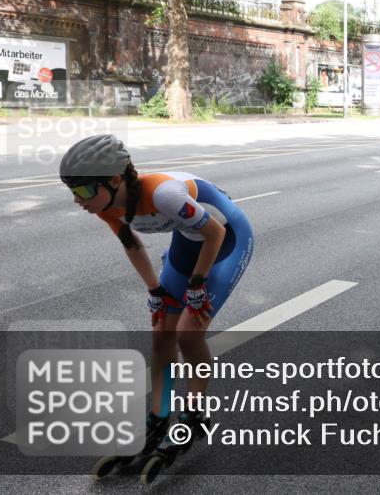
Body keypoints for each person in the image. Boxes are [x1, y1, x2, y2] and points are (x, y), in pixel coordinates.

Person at [60, 134, 254, 458]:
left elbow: (215, 233)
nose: (78, 200)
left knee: (188, 335)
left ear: (114, 179)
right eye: (73, 192)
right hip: (189, 240)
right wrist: (155, 289)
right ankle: (159, 415)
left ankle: (195, 414)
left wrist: (197, 283)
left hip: (226, 240)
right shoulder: (106, 204)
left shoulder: (164, 195)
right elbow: (132, 244)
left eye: (82, 191)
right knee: (162, 333)